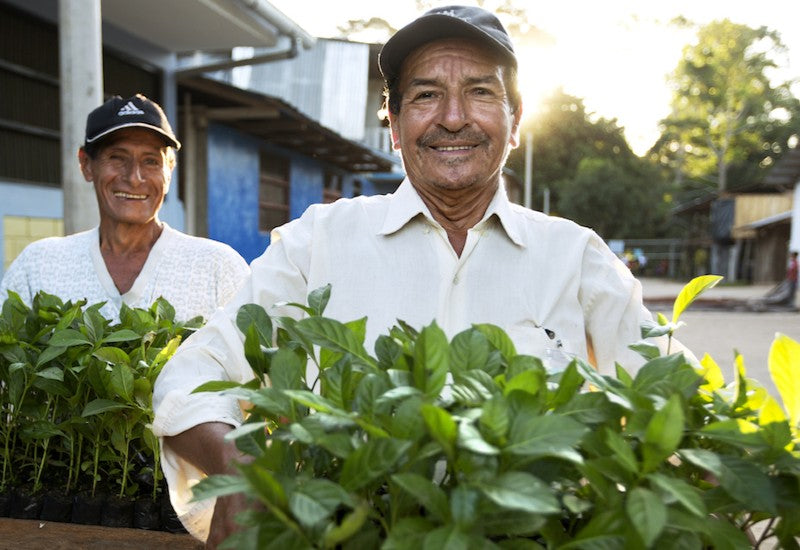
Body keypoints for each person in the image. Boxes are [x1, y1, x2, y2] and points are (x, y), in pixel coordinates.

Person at [152, 6, 674, 545]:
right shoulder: (321, 241)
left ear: (516, 120)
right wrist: (240, 469)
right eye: (425, 95)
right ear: (395, 126)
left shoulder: (575, 256)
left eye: (480, 92)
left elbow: (671, 402)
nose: (453, 117)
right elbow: (190, 378)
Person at [0, 94, 249, 322]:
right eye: (117, 157)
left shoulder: (217, 267)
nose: (134, 177)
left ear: (169, 171)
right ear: (86, 165)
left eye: (151, 161)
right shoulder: (40, 265)